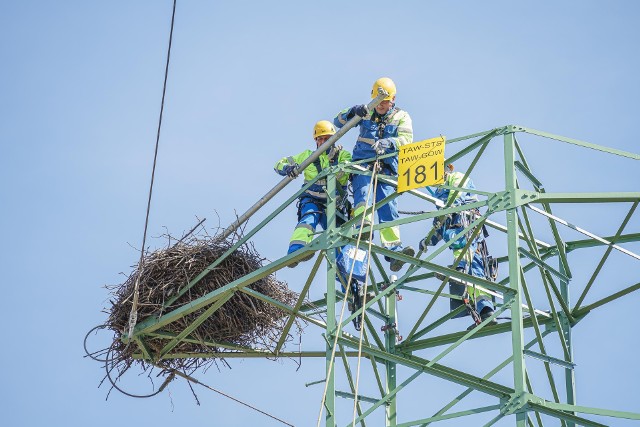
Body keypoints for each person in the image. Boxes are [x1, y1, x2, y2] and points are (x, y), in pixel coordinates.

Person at [333, 77, 415, 272]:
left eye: (385, 102)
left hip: (386, 169)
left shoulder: (401, 116)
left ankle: (393, 250)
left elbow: (407, 140)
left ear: (393, 100)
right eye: (379, 101)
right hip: (362, 165)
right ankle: (364, 229)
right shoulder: (366, 111)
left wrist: (391, 143)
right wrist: (353, 111)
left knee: (388, 206)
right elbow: (338, 121)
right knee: (362, 199)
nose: (381, 105)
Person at [419, 164, 498, 327]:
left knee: (461, 245)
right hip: (463, 228)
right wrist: (428, 241)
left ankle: (459, 268)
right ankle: (485, 311)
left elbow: (456, 196)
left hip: (465, 222)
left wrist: (449, 208)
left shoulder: (456, 177)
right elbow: (440, 225)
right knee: (476, 274)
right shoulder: (440, 193)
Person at [274, 120, 352, 268]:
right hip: (312, 199)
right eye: (320, 138)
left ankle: (347, 276)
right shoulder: (308, 156)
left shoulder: (343, 155)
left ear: (334, 138)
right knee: (308, 220)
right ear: (315, 140)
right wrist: (287, 168)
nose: (323, 141)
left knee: (340, 239)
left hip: (333, 205)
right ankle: (296, 252)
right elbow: (278, 163)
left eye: (327, 138)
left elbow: (347, 172)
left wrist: (334, 165)